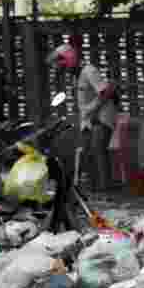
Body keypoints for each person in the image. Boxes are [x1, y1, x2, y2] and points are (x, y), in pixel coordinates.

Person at [48, 43, 117, 192]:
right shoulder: (77, 76)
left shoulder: (89, 71)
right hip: (89, 119)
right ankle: (95, 189)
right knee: (87, 153)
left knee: (98, 151)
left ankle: (106, 189)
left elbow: (106, 92)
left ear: (69, 59)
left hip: (101, 117)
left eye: (61, 63)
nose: (61, 67)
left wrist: (93, 111)